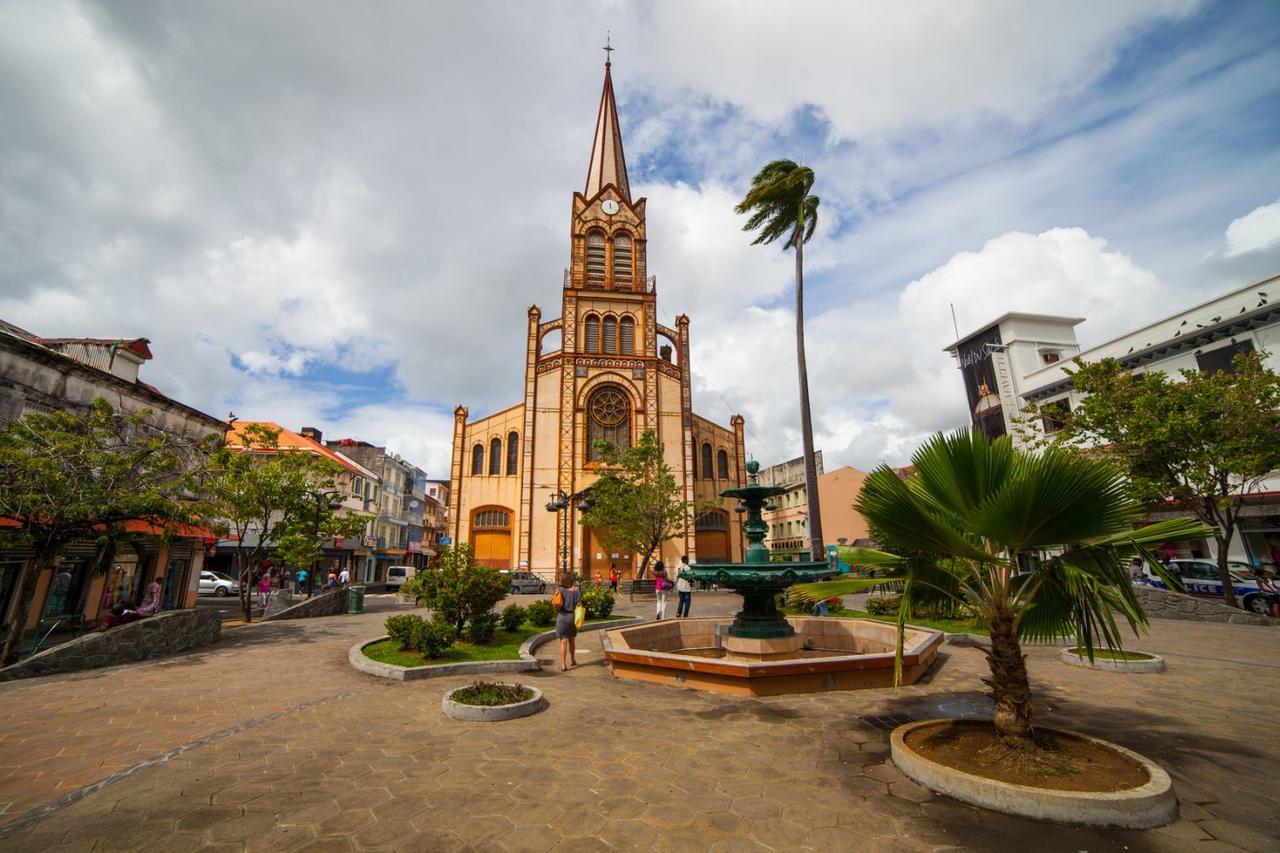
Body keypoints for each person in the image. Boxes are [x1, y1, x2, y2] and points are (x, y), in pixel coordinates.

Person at [554, 574, 583, 672]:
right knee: (572, 640)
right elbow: (579, 604)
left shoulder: (560, 590)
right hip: (571, 617)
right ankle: (573, 660)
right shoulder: (576, 591)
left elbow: (555, 602)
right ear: (571, 581)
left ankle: (563, 665)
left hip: (561, 616)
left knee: (563, 642)